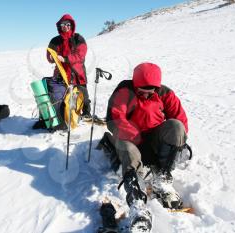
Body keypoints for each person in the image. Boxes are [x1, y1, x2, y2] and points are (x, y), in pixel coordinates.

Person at [101, 62, 190, 230]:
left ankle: (162, 176)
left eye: (152, 91)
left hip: (155, 138)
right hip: (131, 139)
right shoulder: (124, 91)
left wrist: (176, 143)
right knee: (128, 151)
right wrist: (138, 139)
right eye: (143, 91)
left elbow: (181, 121)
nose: (148, 94)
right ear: (136, 84)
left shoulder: (165, 93)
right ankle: (136, 201)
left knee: (176, 127)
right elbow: (115, 119)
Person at [33, 14, 91, 131]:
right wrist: (51, 57)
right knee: (57, 96)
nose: (65, 26)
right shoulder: (55, 40)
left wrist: (65, 59)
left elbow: (80, 54)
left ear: (72, 25)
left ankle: (86, 112)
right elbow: (50, 56)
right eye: (63, 24)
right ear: (59, 26)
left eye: (68, 24)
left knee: (82, 94)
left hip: (77, 73)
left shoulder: (78, 38)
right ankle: (56, 118)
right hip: (61, 74)